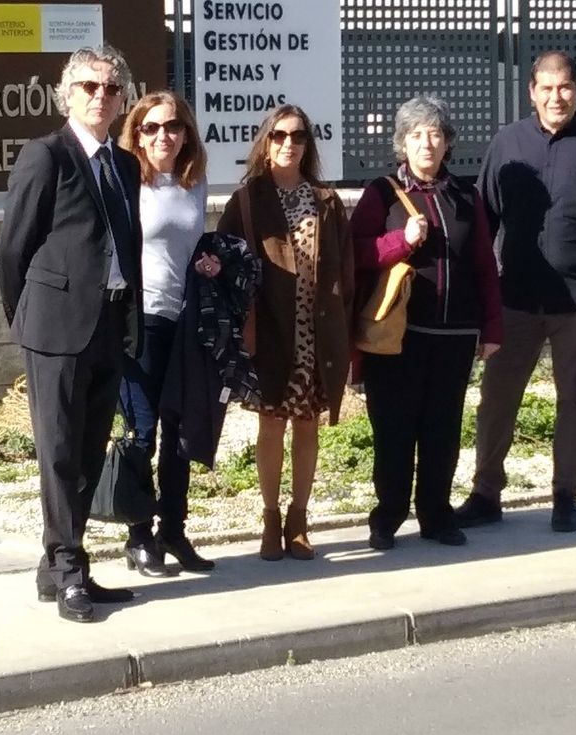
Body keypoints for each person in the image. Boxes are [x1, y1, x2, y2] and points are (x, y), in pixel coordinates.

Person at [0, 46, 141, 623]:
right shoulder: (46, 155)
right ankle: (68, 569)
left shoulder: (124, 164)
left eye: (110, 88)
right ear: (67, 95)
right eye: (88, 86)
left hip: (109, 322)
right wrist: (25, 316)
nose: (100, 96)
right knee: (58, 453)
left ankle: (55, 567)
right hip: (55, 327)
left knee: (87, 452)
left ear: (122, 98)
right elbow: (13, 248)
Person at [456, 51, 576, 534]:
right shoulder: (507, 143)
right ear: (531, 92)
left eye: (564, 87)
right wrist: (477, 298)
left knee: (575, 401)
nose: (556, 97)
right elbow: (484, 223)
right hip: (516, 299)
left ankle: (566, 496)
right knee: (496, 399)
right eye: (546, 88)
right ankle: (486, 493)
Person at [349, 95, 503, 551]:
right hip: (399, 336)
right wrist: (401, 241)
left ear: (447, 142)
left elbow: (484, 266)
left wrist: (491, 328)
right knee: (394, 430)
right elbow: (355, 253)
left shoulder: (465, 196)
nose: (427, 143)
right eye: (416, 135)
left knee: (443, 431)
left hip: (455, 336)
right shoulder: (381, 193)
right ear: (403, 144)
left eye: (435, 134)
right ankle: (387, 517)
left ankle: (436, 516)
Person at [217, 105, 354, 562]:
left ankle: (299, 520)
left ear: (307, 144)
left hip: (316, 333)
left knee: (308, 424)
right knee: (271, 424)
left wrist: (344, 332)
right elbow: (222, 259)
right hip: (271, 332)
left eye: (297, 136)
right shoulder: (247, 200)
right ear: (266, 142)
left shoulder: (326, 201)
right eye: (279, 135)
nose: (288, 144)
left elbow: (346, 273)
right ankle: (271, 518)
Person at [116, 91, 221, 576]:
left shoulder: (193, 183)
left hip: (184, 320)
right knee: (143, 431)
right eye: (152, 127)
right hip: (141, 322)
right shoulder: (128, 181)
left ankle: (173, 531)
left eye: (173, 126)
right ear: (137, 134)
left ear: (186, 134)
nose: (164, 135)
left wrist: (208, 262)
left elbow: (190, 246)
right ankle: (139, 536)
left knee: (180, 431)